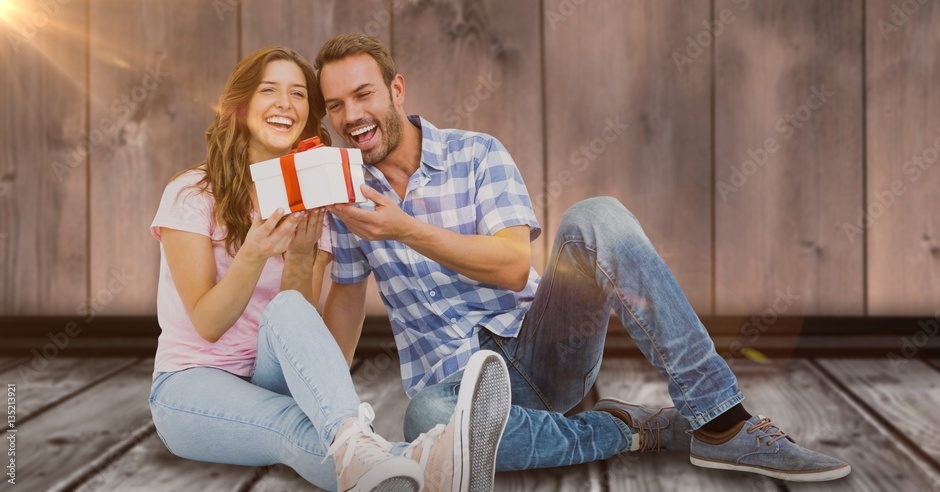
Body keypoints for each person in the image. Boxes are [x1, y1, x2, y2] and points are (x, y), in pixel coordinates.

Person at [314, 33, 851, 482]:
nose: (352, 115)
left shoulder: (476, 153)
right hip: (453, 386)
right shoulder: (343, 194)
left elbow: (508, 264)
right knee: (426, 419)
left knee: (596, 216)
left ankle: (721, 420)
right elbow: (345, 300)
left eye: (364, 94)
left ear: (396, 89)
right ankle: (634, 428)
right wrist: (327, 418)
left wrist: (404, 228)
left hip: (541, 352)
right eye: (336, 105)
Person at [147, 46, 512, 492]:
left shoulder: (316, 204)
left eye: (298, 94)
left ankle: (390, 466)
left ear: (308, 116)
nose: (285, 103)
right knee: (295, 428)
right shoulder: (192, 193)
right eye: (269, 91)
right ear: (239, 108)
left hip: (272, 378)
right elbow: (207, 323)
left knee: (287, 312)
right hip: (191, 386)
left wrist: (300, 259)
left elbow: (296, 324)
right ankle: (418, 464)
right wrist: (254, 253)